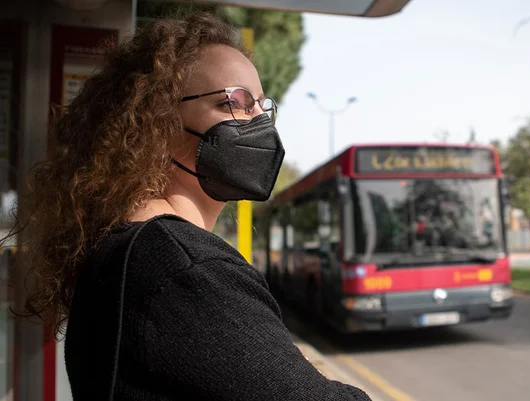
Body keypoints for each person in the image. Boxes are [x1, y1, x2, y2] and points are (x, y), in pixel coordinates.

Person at [9, 12, 371, 401]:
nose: (260, 122)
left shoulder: (126, 248)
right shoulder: (185, 268)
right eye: (234, 101)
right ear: (157, 124)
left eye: (262, 106)